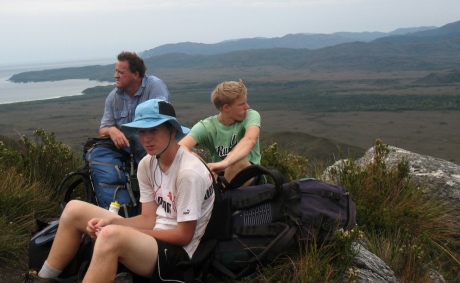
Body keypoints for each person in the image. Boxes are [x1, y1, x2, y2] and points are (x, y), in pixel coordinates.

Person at [25, 99, 215, 283]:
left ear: (172, 131)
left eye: (153, 130)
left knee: (110, 237)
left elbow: (184, 236)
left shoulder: (188, 173)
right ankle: (43, 278)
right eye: (142, 132)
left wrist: (120, 229)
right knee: (74, 209)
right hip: (154, 236)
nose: (146, 139)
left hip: (178, 255)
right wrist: (113, 221)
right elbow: (149, 219)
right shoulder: (148, 163)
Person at [179, 80, 261, 186]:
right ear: (226, 107)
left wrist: (224, 163)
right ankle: (215, 190)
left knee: (237, 161)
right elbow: (180, 148)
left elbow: (250, 140)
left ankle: (219, 195)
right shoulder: (207, 126)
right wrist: (206, 169)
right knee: (190, 155)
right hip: (219, 177)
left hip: (251, 178)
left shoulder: (251, 116)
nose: (247, 106)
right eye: (241, 104)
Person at [99, 51, 170, 163]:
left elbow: (160, 122)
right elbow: (103, 128)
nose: (115, 76)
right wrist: (112, 130)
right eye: (116, 71)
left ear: (135, 74)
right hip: (128, 160)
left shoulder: (154, 86)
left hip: (157, 157)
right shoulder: (113, 97)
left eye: (121, 72)